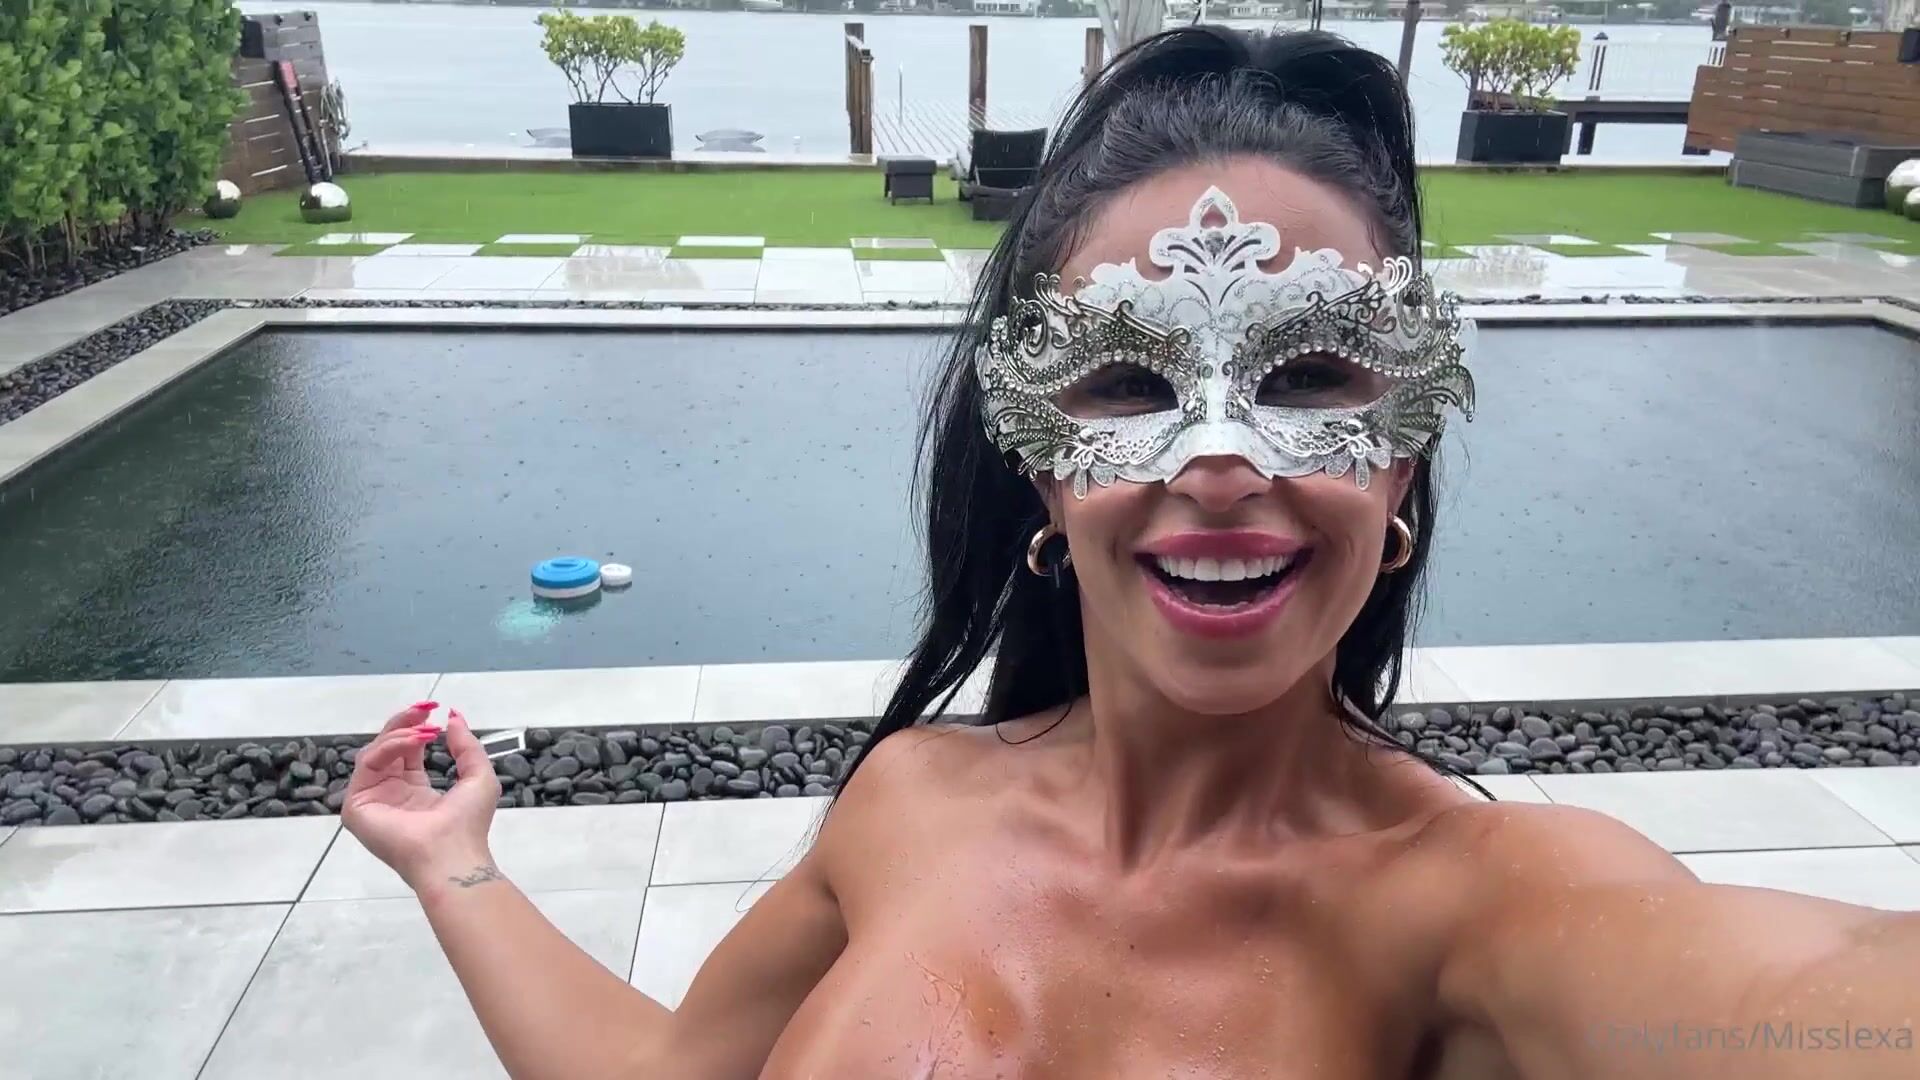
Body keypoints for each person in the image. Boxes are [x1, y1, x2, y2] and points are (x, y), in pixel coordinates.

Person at [342, 27, 1919, 1080]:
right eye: (1128, 382)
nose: (1219, 461)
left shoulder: (1482, 906)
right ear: (1040, 461)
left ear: (1405, 450)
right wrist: (454, 859)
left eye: (1311, 375)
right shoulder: (910, 801)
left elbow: (1806, 1004)